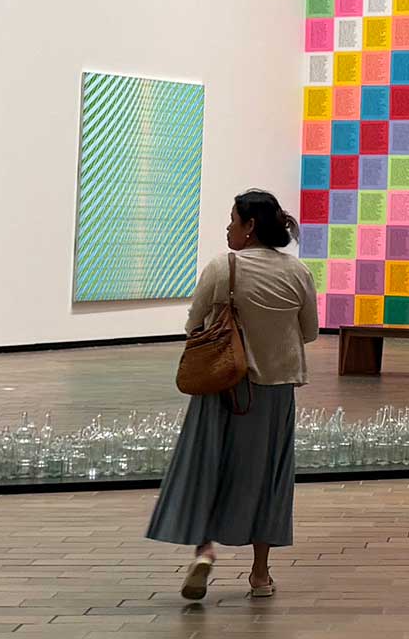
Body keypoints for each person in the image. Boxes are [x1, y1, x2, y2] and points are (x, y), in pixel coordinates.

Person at [146, 189, 319, 602]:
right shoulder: (297, 272)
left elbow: (193, 324)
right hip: (275, 391)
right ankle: (260, 574)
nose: (228, 227)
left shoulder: (223, 267)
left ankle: (204, 550)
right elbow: (310, 331)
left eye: (232, 220)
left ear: (250, 226)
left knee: (207, 465)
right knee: (269, 477)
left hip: (222, 385)